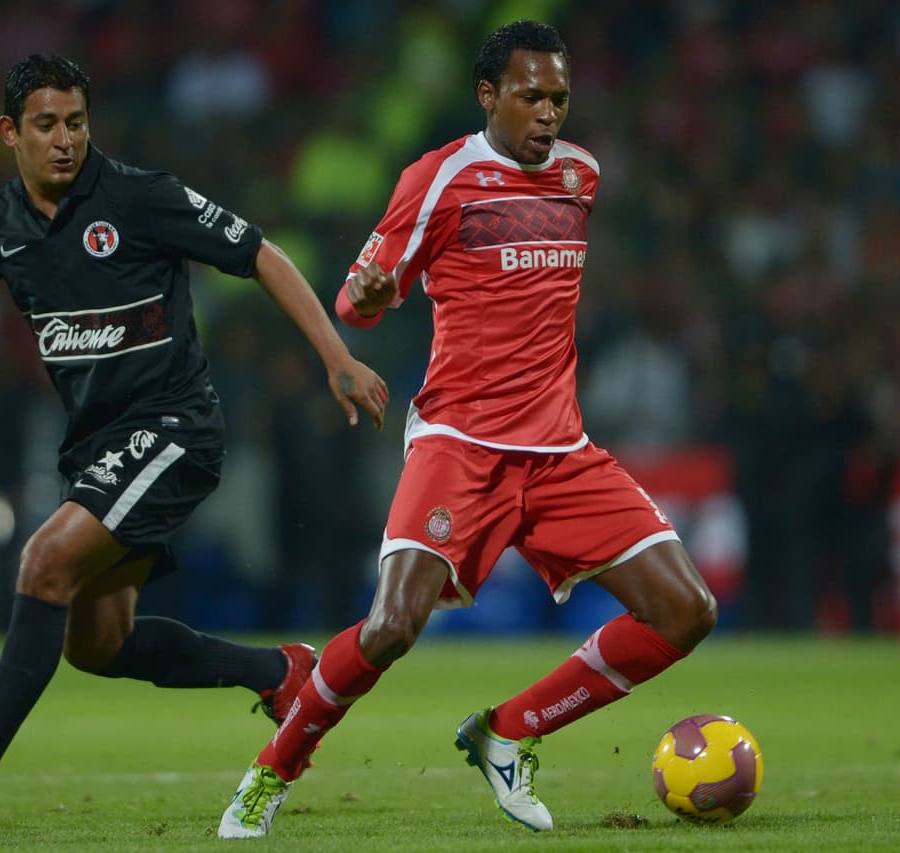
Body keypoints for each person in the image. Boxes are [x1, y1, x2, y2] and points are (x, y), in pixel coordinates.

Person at [0, 53, 388, 829]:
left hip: (177, 427)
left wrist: (337, 357)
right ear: (10, 132)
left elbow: (259, 252)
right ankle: (281, 672)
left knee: (43, 559)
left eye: (76, 122)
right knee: (97, 644)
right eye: (46, 124)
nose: (64, 140)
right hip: (97, 447)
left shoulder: (138, 196)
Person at [218, 20, 717, 839]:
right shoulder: (440, 177)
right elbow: (356, 299)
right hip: (461, 446)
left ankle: (508, 731)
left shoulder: (581, 176)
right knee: (391, 626)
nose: (548, 113)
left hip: (560, 452)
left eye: (559, 97)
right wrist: (372, 299)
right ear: (489, 95)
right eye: (531, 96)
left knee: (687, 609)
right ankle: (272, 770)